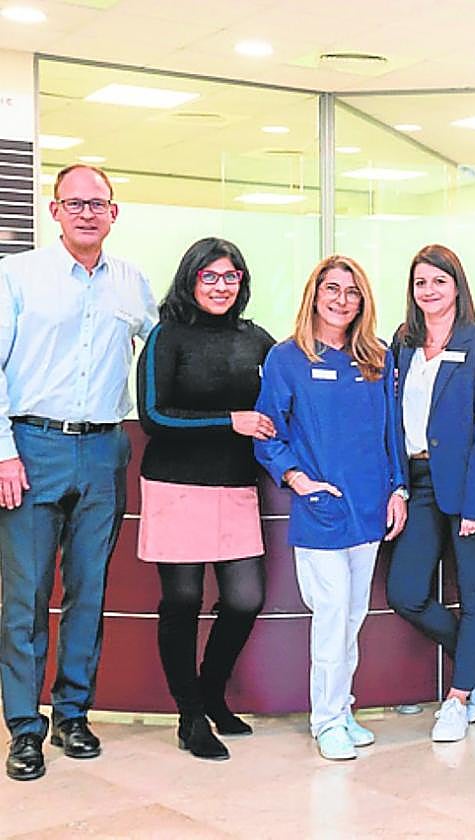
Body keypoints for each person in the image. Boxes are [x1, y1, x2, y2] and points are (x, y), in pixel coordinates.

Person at [0, 165, 157, 782]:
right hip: (33, 446)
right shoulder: (18, 275)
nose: (87, 213)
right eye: (75, 203)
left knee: (89, 592)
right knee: (27, 596)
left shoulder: (131, 282)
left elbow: (166, 346)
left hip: (103, 450)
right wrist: (4, 453)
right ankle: (25, 727)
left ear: (113, 213)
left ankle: (72, 715)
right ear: (55, 211)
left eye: (98, 204)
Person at [254, 255, 406, 761]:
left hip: (369, 507)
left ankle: (343, 709)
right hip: (321, 510)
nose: (342, 300)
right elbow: (268, 432)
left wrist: (398, 490)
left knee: (353, 616)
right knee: (332, 614)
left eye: (352, 291)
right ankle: (325, 721)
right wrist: (298, 480)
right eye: (332, 289)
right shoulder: (287, 358)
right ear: (314, 295)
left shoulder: (377, 358)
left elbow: (392, 433)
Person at [136, 237, 276, 760]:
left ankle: (211, 691)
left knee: (245, 598)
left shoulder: (255, 338)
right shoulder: (167, 335)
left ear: (242, 282)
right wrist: (229, 421)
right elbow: (154, 416)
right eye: (209, 277)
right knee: (183, 601)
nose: (220, 287)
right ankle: (190, 716)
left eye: (230, 277)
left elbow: (287, 392)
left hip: (235, 484)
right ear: (190, 280)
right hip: (176, 485)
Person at [385, 244, 475, 743]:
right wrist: (397, 483)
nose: (429, 290)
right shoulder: (402, 344)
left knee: (474, 594)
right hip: (418, 481)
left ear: (457, 286)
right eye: (421, 282)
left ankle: (458, 698)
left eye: (439, 281)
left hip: (468, 483)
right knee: (405, 592)